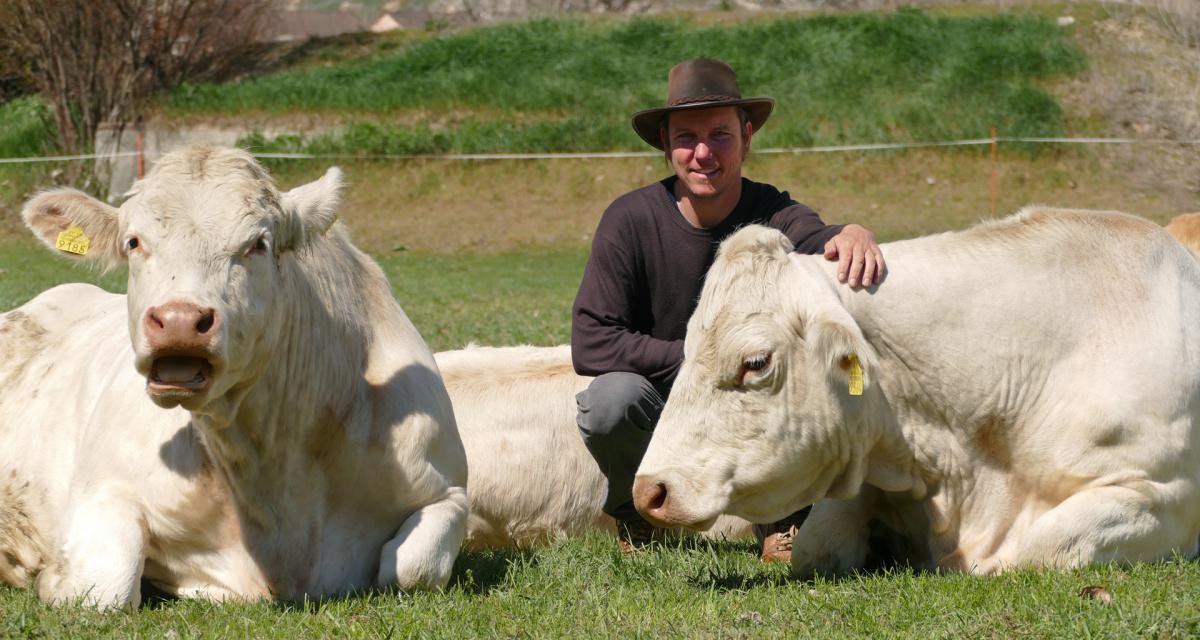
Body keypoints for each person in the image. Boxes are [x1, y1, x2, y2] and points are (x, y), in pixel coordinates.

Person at [571, 58, 886, 561]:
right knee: (610, 402)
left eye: (719, 135)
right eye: (686, 136)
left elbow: (823, 243)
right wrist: (702, 363)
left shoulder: (777, 216)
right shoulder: (628, 220)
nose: (702, 153)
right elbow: (591, 339)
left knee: (803, 381)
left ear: (746, 137)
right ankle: (640, 520)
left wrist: (852, 233)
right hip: (665, 398)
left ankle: (783, 520)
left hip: (748, 393)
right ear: (666, 145)